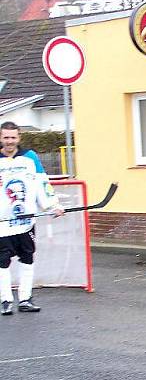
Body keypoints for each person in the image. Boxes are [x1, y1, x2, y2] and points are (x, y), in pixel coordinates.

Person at [0, 121, 63, 315]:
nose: (10, 141)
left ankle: (25, 299)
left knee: (27, 259)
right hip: (2, 224)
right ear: (0, 138)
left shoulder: (30, 158)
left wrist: (52, 205)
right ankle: (6, 300)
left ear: (19, 137)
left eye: (13, 137)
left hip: (26, 223)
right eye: (6, 137)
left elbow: (42, 184)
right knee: (2, 262)